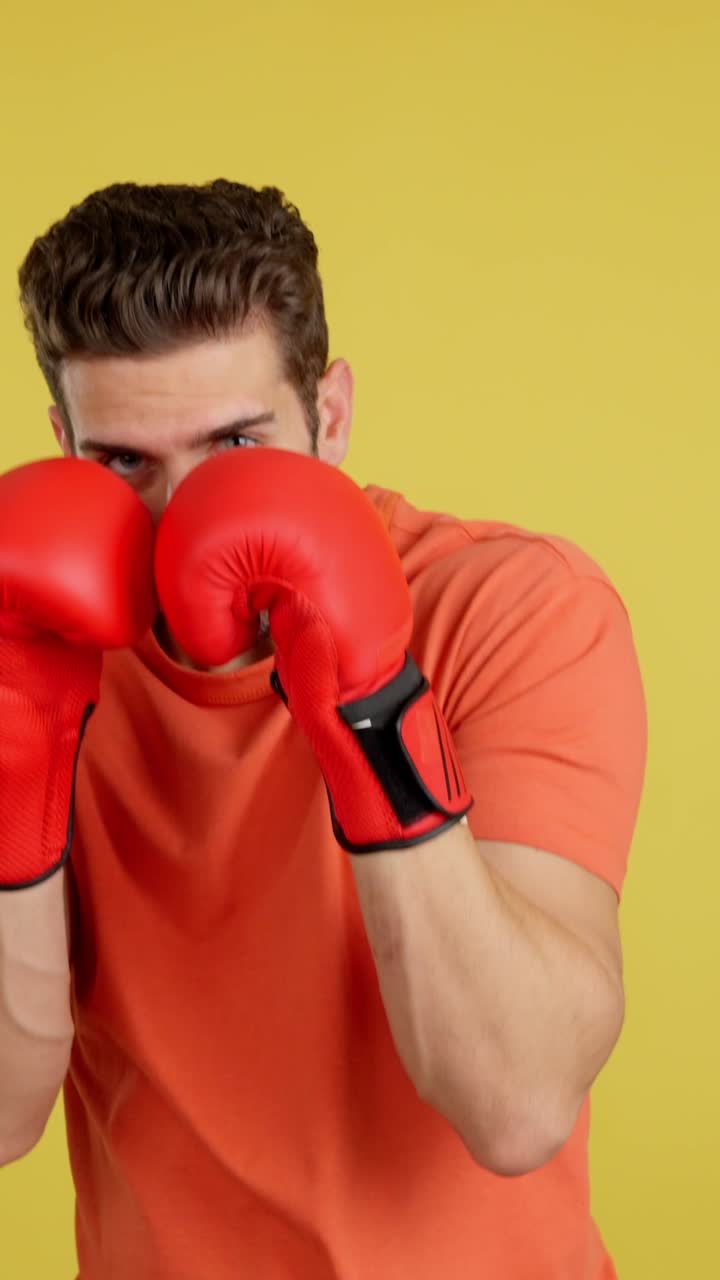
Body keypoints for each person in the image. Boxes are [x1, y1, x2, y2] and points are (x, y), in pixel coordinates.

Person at [1, 180, 647, 1279]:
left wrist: (369, 700)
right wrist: (20, 768)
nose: (185, 515)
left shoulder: (513, 610)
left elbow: (518, 1104)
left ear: (330, 415)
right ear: (62, 443)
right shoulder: (34, 641)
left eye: (238, 443)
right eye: (123, 463)